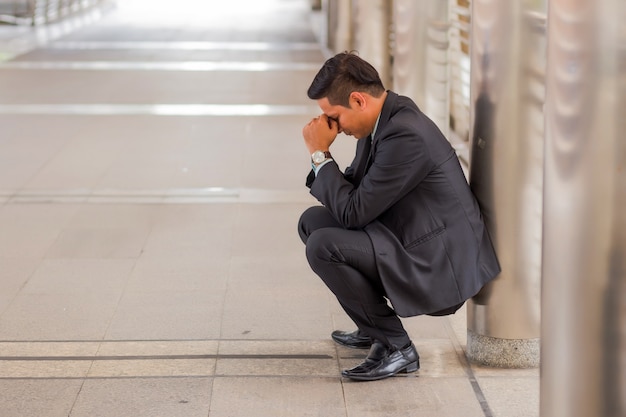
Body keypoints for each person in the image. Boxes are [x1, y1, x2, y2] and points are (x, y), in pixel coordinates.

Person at [297, 51, 500, 381]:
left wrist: (320, 155)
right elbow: (354, 194)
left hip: (438, 261)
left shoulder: (406, 134)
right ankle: (371, 325)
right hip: (411, 235)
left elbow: (353, 212)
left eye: (333, 116)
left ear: (358, 100)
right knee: (313, 221)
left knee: (323, 245)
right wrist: (324, 161)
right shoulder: (380, 121)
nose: (332, 126)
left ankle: (396, 347)